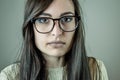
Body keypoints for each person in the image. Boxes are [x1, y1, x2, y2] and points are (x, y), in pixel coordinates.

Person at [0, 0, 109, 80]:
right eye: (43, 20)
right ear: (30, 27)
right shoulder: (9, 76)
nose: (56, 32)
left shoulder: (95, 70)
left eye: (67, 19)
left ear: (76, 23)